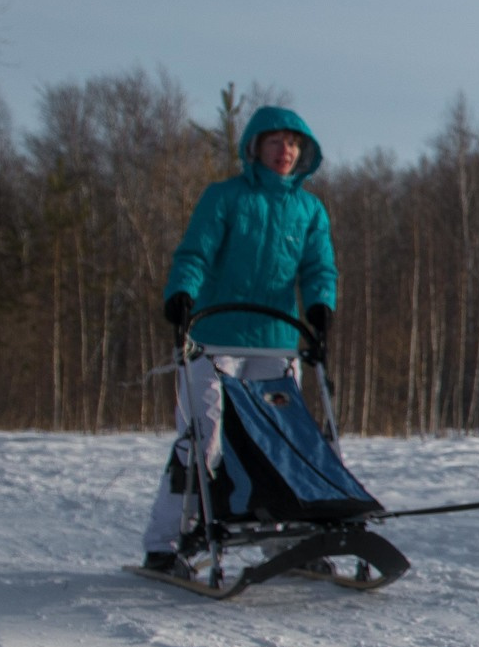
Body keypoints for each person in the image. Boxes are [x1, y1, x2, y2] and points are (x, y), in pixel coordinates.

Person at [140, 106, 337, 576]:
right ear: (254, 148)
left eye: (293, 144)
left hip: (276, 340)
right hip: (213, 336)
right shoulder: (224, 197)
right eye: (275, 142)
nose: (285, 151)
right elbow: (196, 252)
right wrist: (182, 293)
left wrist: (319, 307)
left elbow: (317, 269)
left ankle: (285, 540)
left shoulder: (309, 209)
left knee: (281, 443)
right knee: (202, 438)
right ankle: (165, 542)